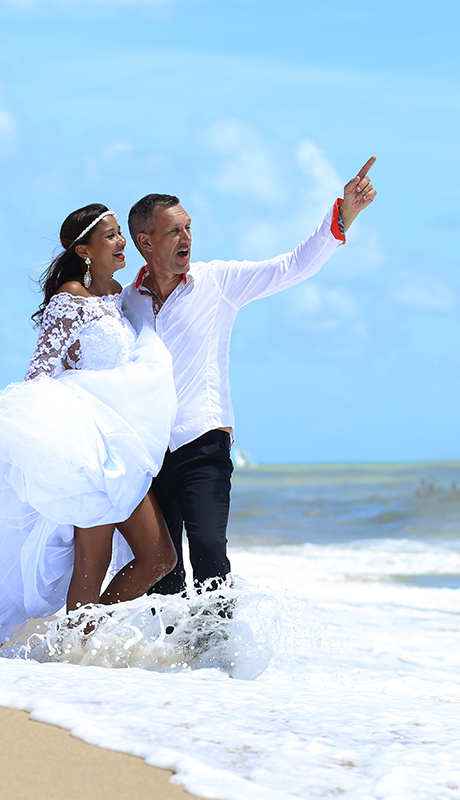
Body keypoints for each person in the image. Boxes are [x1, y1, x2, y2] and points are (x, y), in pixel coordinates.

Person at [0, 204, 179, 655]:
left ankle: (74, 642)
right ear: (84, 250)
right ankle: (73, 655)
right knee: (92, 561)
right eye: (112, 237)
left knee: (159, 559)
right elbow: (40, 374)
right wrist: (44, 443)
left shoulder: (117, 294)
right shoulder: (68, 301)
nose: (122, 244)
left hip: (121, 445)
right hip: (83, 447)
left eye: (121, 235)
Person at [121, 157, 378, 596]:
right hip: (149, 450)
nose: (187, 238)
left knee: (208, 552)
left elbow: (291, 266)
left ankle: (216, 657)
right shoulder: (127, 303)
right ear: (145, 241)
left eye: (188, 228)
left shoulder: (217, 281)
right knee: (163, 571)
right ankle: (167, 658)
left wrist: (343, 216)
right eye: (174, 231)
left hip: (203, 441)